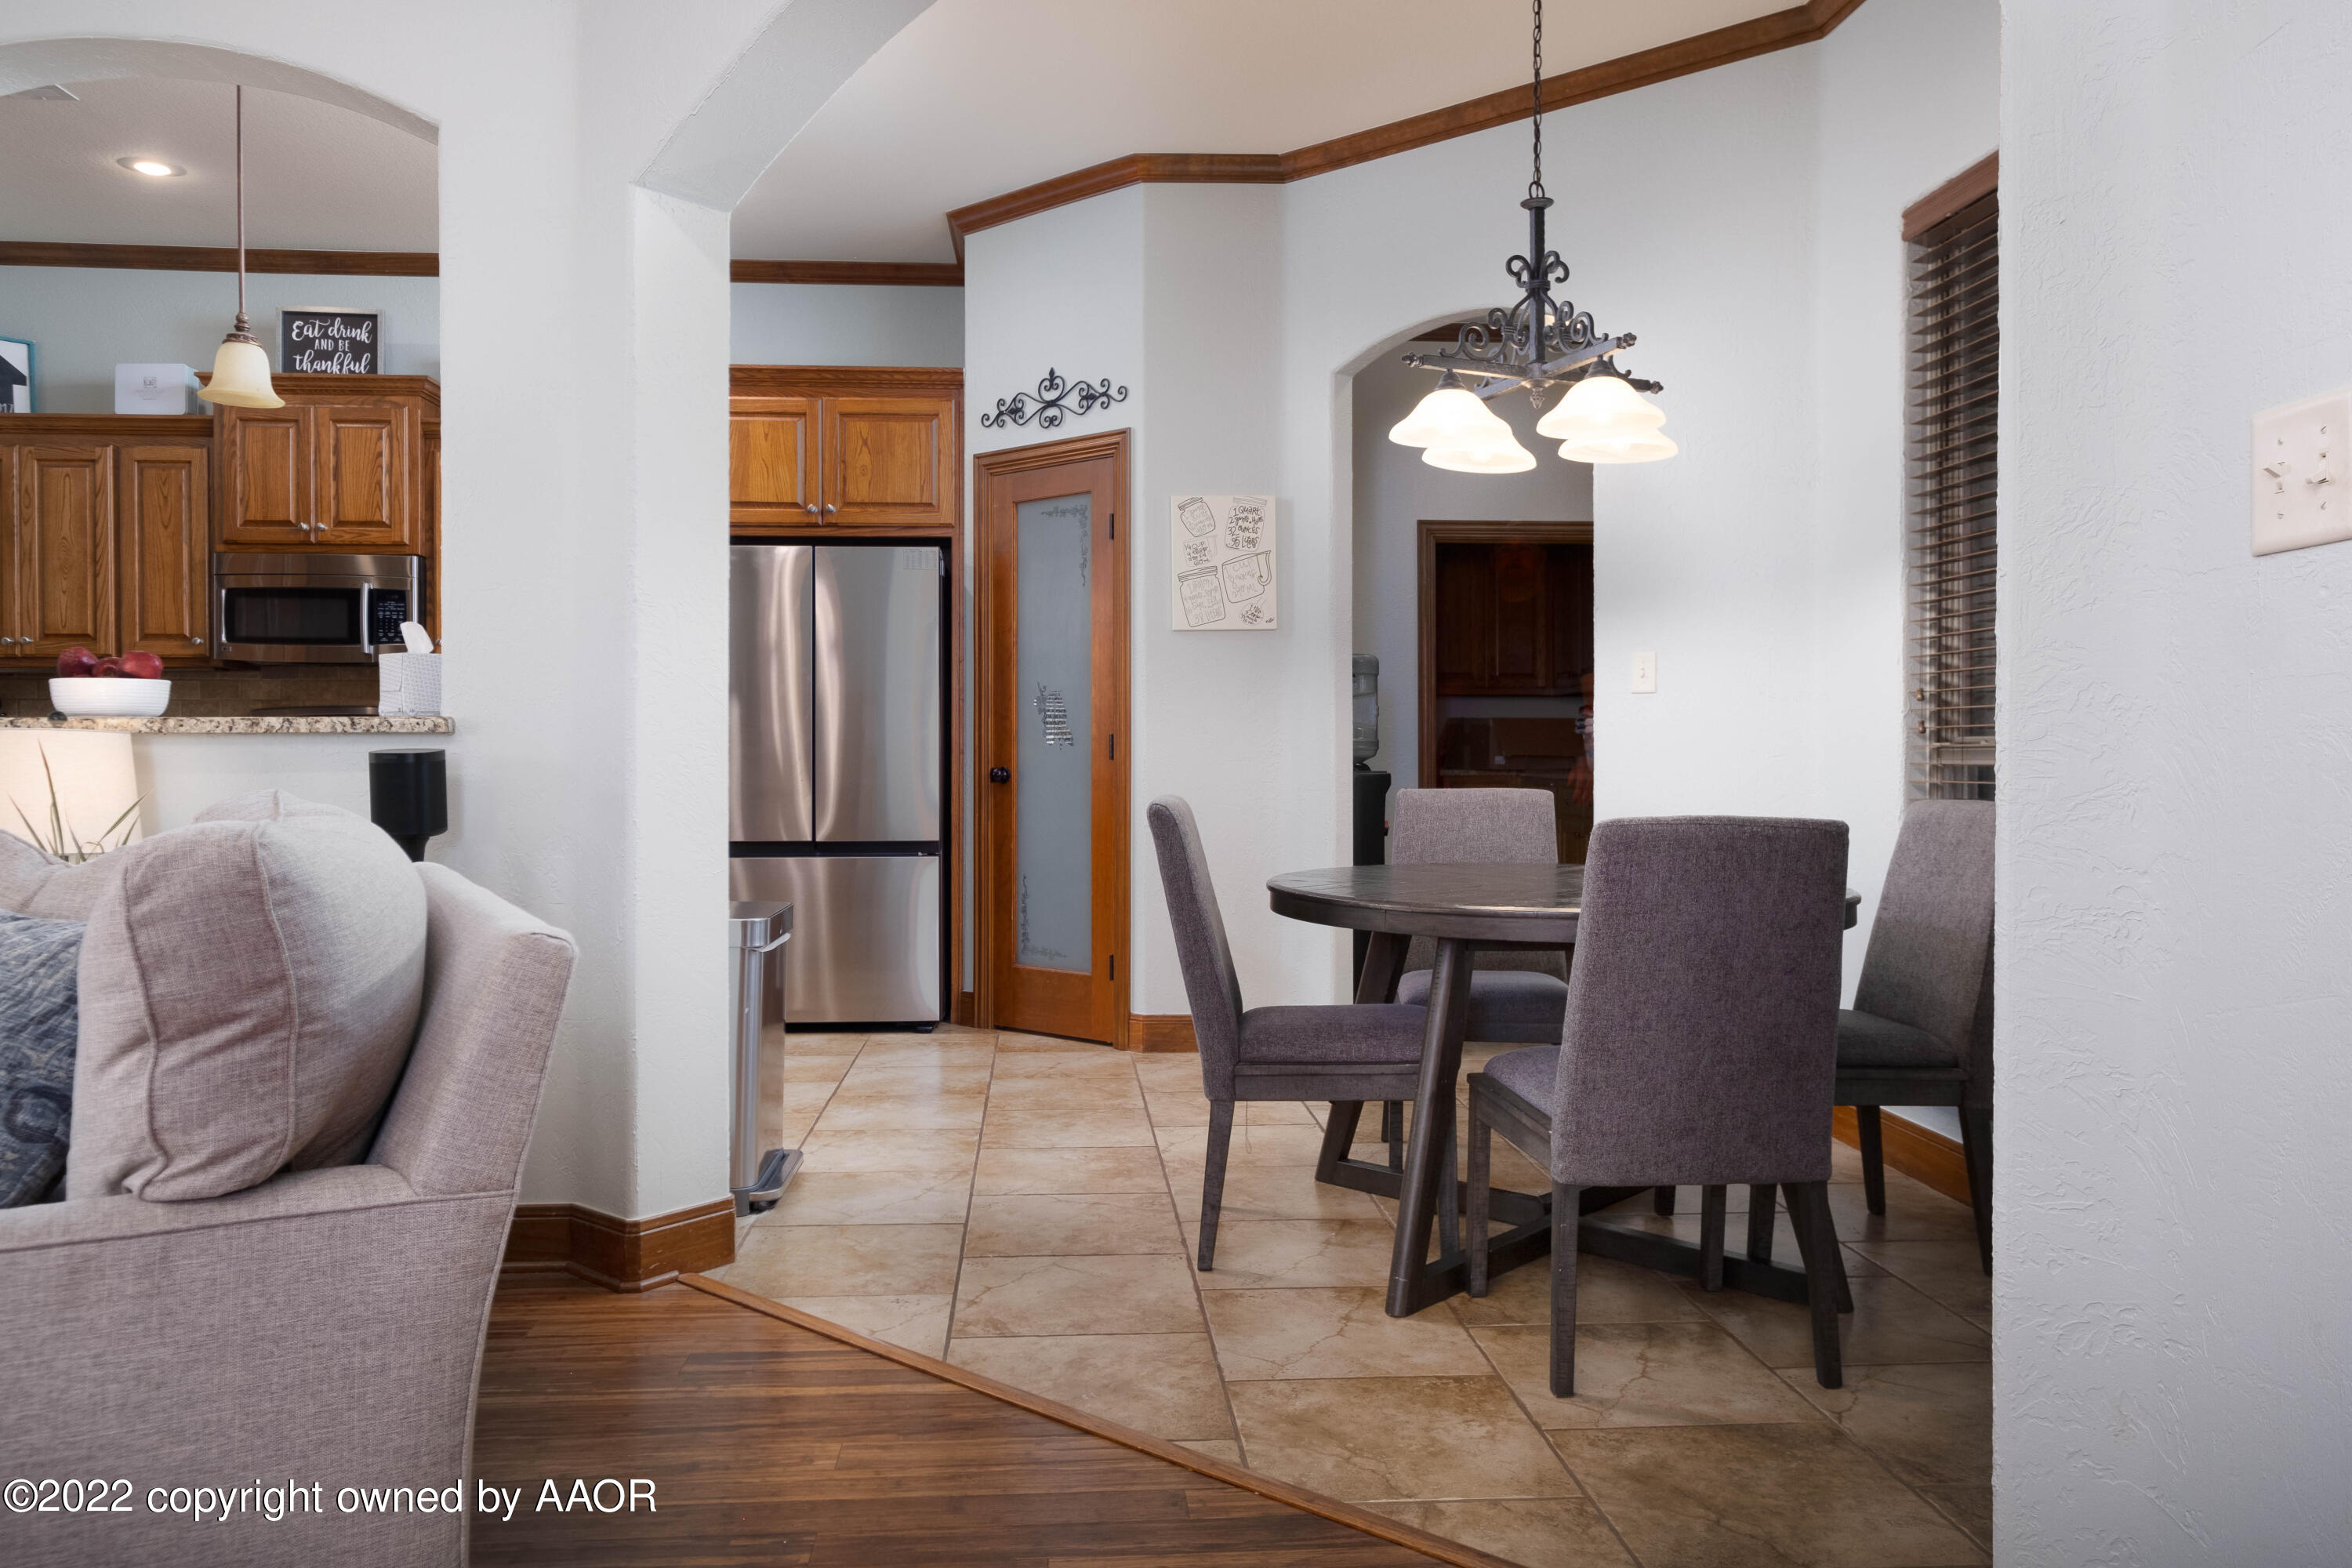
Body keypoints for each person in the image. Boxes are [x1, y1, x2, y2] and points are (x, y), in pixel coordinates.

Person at [1569, 668, 1595, 806]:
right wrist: (1583, 758)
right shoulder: (1585, 720)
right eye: (1586, 697)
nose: (1588, 708)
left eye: (1592, 695)